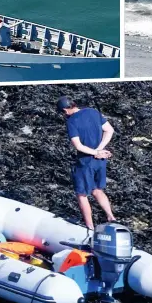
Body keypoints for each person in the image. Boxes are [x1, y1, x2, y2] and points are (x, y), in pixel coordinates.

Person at [57, 96, 117, 231]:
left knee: (82, 194)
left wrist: (94, 152)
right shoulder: (93, 111)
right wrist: (99, 149)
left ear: (66, 110)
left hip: (85, 162)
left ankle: (89, 227)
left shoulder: (71, 121)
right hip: (100, 161)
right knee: (97, 190)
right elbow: (109, 130)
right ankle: (111, 217)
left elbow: (78, 146)